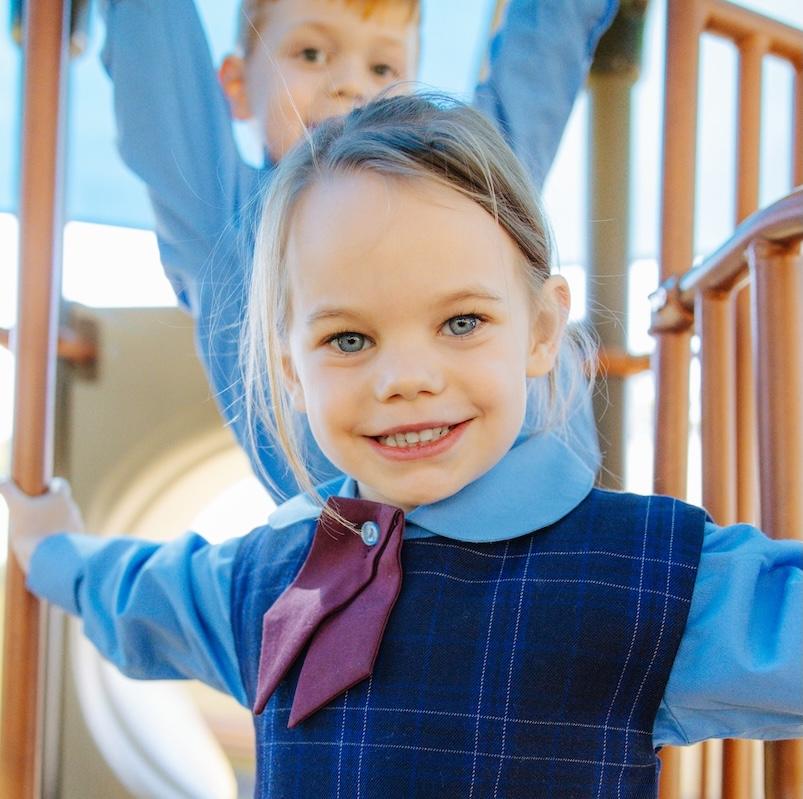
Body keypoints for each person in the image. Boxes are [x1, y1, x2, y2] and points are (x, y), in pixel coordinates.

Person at [5, 95, 800, 797]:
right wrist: (52, 553)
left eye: (461, 322)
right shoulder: (271, 578)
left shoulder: (649, 576)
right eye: (349, 337)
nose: (405, 378)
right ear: (291, 366)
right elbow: (141, 593)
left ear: (541, 329)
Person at [100, 0, 617, 499]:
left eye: (382, 66)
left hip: (547, 534)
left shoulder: (466, 181)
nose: (352, 85)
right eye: (311, 55)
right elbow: (156, 63)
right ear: (236, 84)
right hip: (357, 544)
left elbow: (542, 55)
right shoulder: (226, 220)